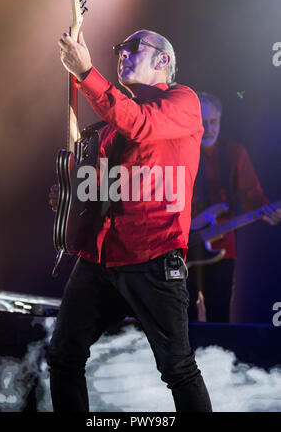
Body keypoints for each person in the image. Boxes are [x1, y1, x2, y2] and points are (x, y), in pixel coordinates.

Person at [47, 29, 212, 412]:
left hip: (153, 258)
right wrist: (73, 197)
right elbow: (102, 193)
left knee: (178, 368)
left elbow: (139, 124)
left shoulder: (182, 101)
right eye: (118, 49)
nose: (121, 54)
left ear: (163, 61)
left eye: (132, 48)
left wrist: (87, 73)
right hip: (99, 259)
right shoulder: (109, 129)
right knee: (63, 356)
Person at [187, 92, 281, 323]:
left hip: (223, 247)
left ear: (220, 120)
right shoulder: (181, 152)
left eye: (214, 122)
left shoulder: (234, 153)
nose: (209, 128)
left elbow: (252, 195)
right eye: (203, 122)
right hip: (178, 244)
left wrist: (267, 211)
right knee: (182, 318)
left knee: (219, 315)